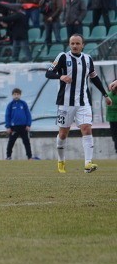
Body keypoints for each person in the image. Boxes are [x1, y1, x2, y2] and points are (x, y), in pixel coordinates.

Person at [45, 34, 112, 173]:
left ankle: (88, 164)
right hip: (65, 103)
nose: (74, 46)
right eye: (72, 43)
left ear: (83, 45)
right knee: (63, 134)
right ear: (69, 45)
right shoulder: (63, 57)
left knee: (87, 129)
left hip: (83, 102)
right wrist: (61, 76)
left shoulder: (88, 59)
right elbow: (49, 73)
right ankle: (61, 161)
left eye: (77, 43)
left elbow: (94, 78)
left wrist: (105, 94)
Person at [4, 88, 33, 160]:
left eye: (18, 94)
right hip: (14, 127)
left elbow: (28, 115)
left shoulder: (23, 104)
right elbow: (7, 116)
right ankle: (8, 156)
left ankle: (29, 157)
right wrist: (8, 127)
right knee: (11, 142)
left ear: (20, 95)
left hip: (23, 127)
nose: (16, 96)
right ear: (12, 95)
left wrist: (28, 125)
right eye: (14, 94)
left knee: (26, 142)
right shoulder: (10, 105)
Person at [107, 86, 117, 153]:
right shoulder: (109, 95)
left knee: (115, 136)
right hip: (112, 118)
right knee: (114, 136)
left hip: (112, 118)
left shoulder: (109, 95)